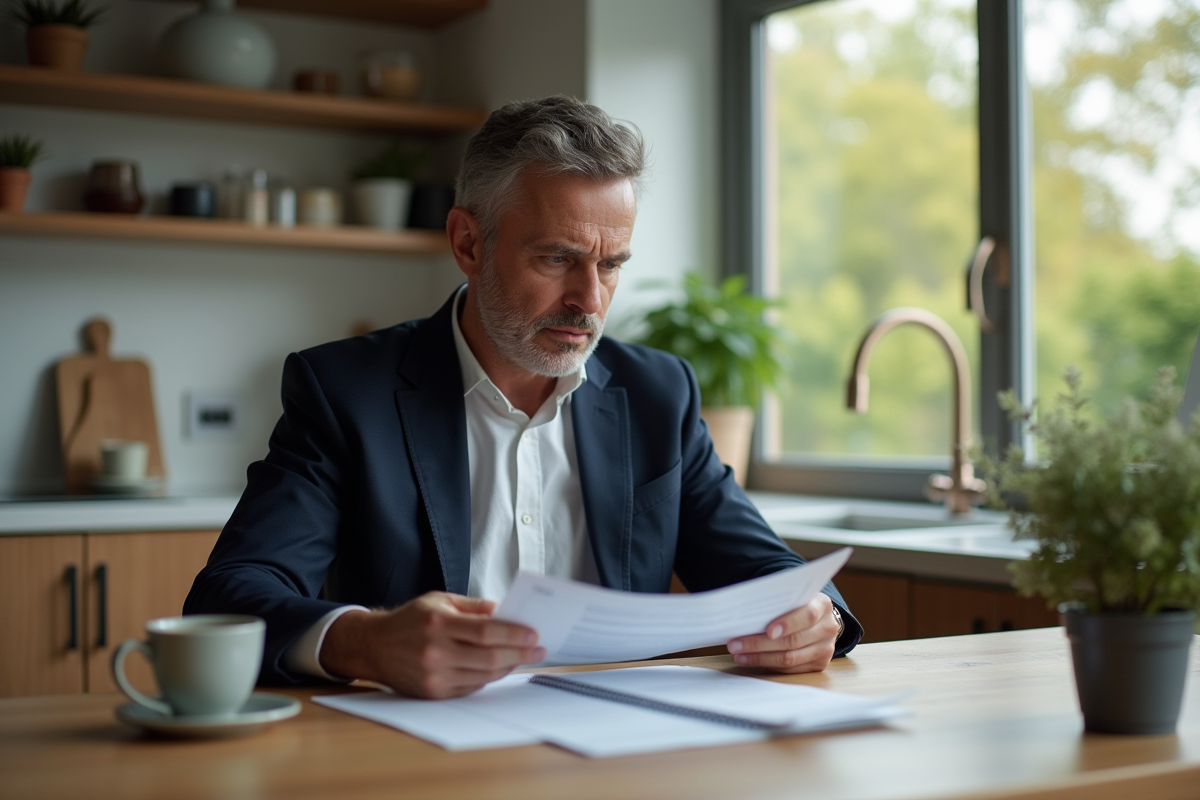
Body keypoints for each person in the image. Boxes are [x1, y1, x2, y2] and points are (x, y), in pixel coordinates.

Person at [185, 96, 863, 699]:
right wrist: (367, 641)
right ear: (468, 243)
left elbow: (768, 569)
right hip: (415, 759)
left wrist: (814, 617)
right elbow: (229, 596)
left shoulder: (659, 393)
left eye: (612, 264)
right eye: (558, 258)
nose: (589, 300)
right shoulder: (345, 393)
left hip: (619, 754)